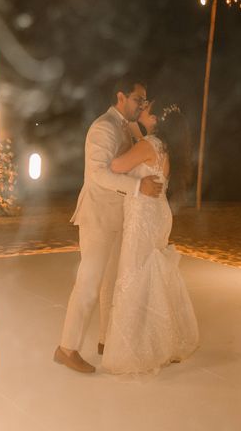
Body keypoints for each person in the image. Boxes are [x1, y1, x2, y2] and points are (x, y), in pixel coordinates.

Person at [54, 76, 163, 374]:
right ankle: (67, 348)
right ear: (120, 97)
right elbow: (99, 175)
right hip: (98, 216)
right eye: (138, 100)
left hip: (119, 217)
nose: (142, 105)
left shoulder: (124, 126)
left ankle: (105, 341)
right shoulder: (103, 127)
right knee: (88, 284)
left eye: (144, 101)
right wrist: (138, 187)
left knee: (111, 284)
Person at [102, 103, 199, 374]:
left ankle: (137, 347)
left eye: (148, 107)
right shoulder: (165, 145)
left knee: (135, 275)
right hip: (159, 214)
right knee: (152, 274)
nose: (142, 108)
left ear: (156, 118)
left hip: (143, 216)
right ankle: (163, 339)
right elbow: (134, 127)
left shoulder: (149, 144)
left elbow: (116, 166)